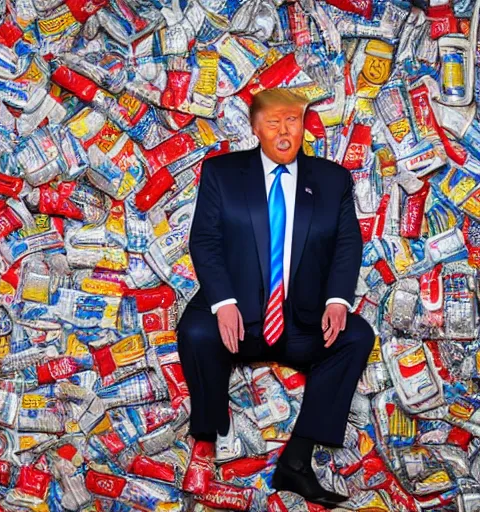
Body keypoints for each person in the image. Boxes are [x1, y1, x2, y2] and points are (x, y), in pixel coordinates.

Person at [177, 87, 375, 509]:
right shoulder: (221, 173)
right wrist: (223, 302)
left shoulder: (332, 179)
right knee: (195, 330)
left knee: (357, 336)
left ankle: (297, 460)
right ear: (254, 128)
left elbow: (346, 244)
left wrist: (337, 299)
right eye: (274, 123)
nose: (285, 133)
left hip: (302, 318)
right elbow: (205, 240)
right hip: (241, 317)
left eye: (293, 122)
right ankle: (208, 434)